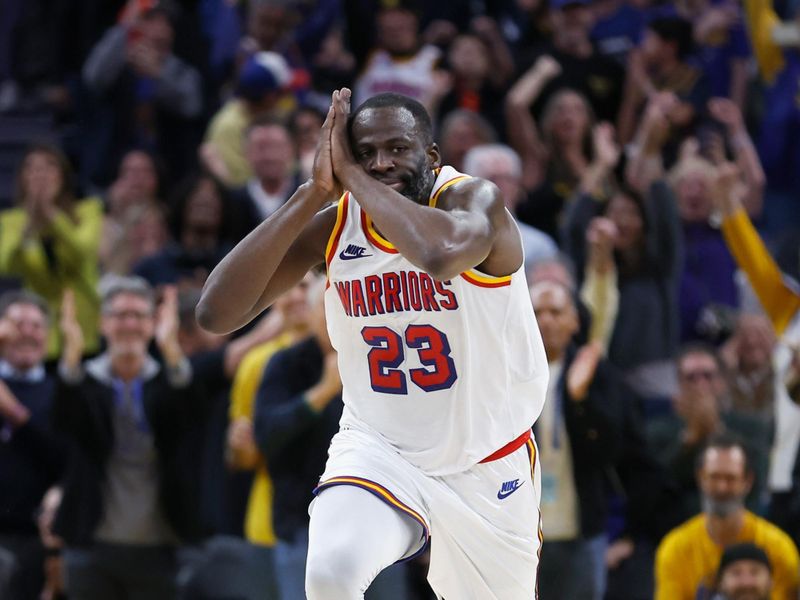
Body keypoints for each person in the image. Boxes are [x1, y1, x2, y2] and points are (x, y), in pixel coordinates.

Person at [197, 88, 548, 599]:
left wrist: (353, 178)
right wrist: (314, 192)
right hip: (382, 448)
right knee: (330, 574)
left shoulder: (475, 200)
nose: (380, 164)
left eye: (397, 149)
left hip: (487, 456)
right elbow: (216, 313)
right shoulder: (339, 225)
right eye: (363, 154)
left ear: (431, 156)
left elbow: (440, 253)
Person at [52, 278, 206, 600]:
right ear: (103, 324)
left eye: (139, 315)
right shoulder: (84, 383)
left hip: (158, 544)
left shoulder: (168, 381)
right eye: (120, 315)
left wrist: (172, 350)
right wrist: (70, 357)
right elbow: (63, 422)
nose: (130, 324)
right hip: (90, 543)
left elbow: (190, 422)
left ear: (153, 325)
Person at [654, 434, 799, 600]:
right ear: (700, 477)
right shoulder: (676, 549)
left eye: (730, 478)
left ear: (747, 481)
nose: (722, 488)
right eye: (714, 477)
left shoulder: (778, 548)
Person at [0, 291, 63, 600]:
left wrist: (14, 413)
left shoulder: (62, 392)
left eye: (36, 326)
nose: (27, 332)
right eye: (17, 324)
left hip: (34, 539)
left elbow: (63, 459)